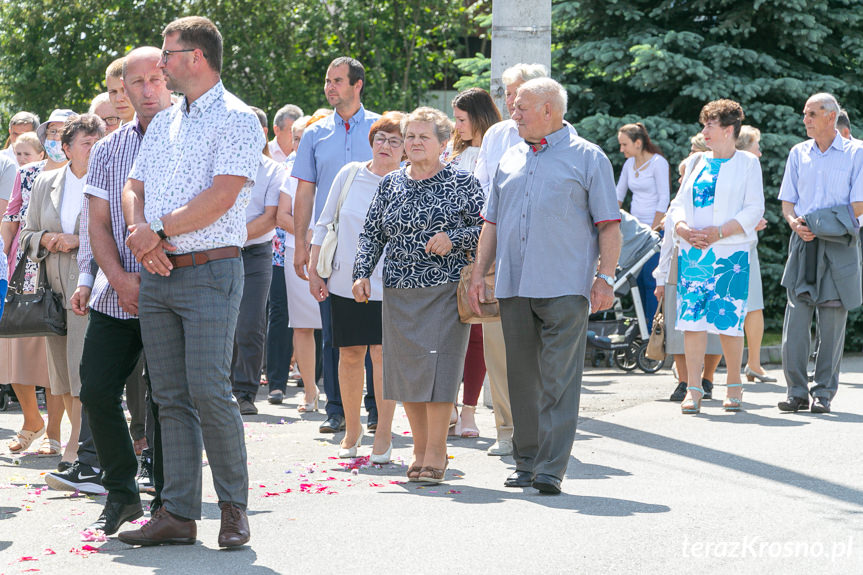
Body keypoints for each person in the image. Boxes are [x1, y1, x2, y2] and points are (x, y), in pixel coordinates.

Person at [118, 16, 262, 548]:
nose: (160, 62)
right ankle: (177, 511)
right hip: (160, 275)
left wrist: (153, 232)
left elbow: (222, 196)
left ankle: (232, 508)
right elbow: (134, 185)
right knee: (170, 396)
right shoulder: (166, 121)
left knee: (208, 389)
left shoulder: (239, 119)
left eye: (168, 52)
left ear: (196, 57)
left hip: (210, 270)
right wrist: (141, 230)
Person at [468, 78, 621, 495]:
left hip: (565, 286)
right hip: (515, 285)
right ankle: (526, 462)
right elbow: (491, 222)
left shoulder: (589, 158)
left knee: (558, 379)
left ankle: (551, 467)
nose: (512, 114)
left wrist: (605, 278)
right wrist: (480, 273)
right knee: (522, 378)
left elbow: (608, 223)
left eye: (521, 107)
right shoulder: (509, 158)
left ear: (549, 111)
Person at [44, 47, 171, 533]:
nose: (142, 91)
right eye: (130, 84)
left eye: (152, 80)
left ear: (170, 80)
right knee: (96, 389)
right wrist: (111, 278)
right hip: (114, 292)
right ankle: (121, 493)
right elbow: (95, 223)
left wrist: (149, 275)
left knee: (166, 398)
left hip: (170, 289)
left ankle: (166, 497)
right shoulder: (110, 150)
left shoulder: (185, 136)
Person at [354, 106, 483, 483]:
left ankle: (437, 452)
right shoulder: (391, 183)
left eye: (423, 137)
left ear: (444, 143)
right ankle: (420, 449)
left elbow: (487, 229)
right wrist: (362, 272)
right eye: (410, 136)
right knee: (407, 372)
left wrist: (453, 238)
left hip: (444, 291)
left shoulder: (462, 182)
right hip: (398, 290)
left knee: (439, 369)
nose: (413, 142)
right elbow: (371, 233)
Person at [292, 57, 381, 434]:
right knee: (334, 330)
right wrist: (301, 244)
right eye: (327, 80)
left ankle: (377, 411)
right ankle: (337, 410)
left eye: (338, 81)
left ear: (357, 85)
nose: (330, 87)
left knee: (376, 335)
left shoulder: (382, 127)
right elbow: (305, 190)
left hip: (379, 244)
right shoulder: (314, 133)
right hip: (330, 246)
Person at [309, 112, 404, 462]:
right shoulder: (349, 175)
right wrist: (315, 268)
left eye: (395, 141)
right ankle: (352, 429)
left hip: (390, 285)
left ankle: (383, 432)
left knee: (382, 356)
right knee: (349, 355)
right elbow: (325, 222)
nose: (386, 146)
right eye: (381, 138)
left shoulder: (409, 182)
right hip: (345, 281)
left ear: (405, 149)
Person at [471, 63, 551, 457]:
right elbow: (482, 193)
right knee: (498, 342)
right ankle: (506, 427)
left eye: (518, 94)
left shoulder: (565, 140)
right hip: (499, 251)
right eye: (506, 94)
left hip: (545, 254)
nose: (510, 103)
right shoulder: (496, 136)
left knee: (537, 344)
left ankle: (539, 425)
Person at [668, 99, 765, 415]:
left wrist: (719, 232)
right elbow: (678, 204)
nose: (704, 131)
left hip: (730, 254)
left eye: (710, 124)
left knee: (729, 320)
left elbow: (754, 209)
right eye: (704, 124)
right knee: (692, 320)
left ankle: (734, 384)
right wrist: (682, 228)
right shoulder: (696, 163)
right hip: (694, 253)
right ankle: (693, 389)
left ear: (728, 129)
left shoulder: (748, 164)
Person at [20, 114, 104, 466]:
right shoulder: (46, 182)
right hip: (53, 293)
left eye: (99, 142)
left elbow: (116, 235)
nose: (95, 149)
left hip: (93, 289)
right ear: (67, 149)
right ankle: (77, 442)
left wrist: (79, 240)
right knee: (63, 376)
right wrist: (47, 240)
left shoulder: (107, 182)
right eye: (87, 143)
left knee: (84, 369)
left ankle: (79, 447)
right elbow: (26, 235)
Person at [777, 93, 863, 414]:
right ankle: (796, 391)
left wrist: (818, 222)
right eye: (804, 113)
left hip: (839, 244)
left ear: (831, 117)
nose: (805, 119)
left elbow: (858, 206)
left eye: (811, 114)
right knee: (796, 320)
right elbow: (788, 201)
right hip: (803, 242)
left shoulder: (857, 153)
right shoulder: (798, 153)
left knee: (831, 322)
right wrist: (794, 223)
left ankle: (823, 393)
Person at [1, 109, 74, 461]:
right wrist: (6, 260)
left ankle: (56, 434)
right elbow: (11, 219)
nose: (56, 139)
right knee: (16, 352)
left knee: (53, 362)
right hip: (23, 274)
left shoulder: (84, 174)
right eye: (52, 133)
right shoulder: (28, 173)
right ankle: (32, 419)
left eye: (64, 133)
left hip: (63, 275)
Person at [443, 87, 501, 439]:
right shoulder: (452, 153)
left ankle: (469, 411)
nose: (457, 125)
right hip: (445, 253)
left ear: (479, 117)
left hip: (479, 251)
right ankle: (445, 405)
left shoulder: (497, 153)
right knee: (446, 333)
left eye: (462, 119)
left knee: (477, 333)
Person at [231, 106, 283, 415]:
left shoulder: (273, 169)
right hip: (220, 253)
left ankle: (245, 392)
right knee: (222, 324)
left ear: (262, 133)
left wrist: (231, 236)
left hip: (255, 254)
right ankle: (220, 390)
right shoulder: (221, 164)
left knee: (249, 323)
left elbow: (271, 217)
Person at [277, 114, 322, 411]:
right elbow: (282, 215)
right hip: (299, 252)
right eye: (300, 136)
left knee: (337, 328)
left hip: (333, 252)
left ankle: (342, 394)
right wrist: (308, 236)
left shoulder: (339, 167)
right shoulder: (290, 169)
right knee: (303, 326)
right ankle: (309, 392)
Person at [616, 122, 670, 331]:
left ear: (638, 143)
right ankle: (644, 330)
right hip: (636, 232)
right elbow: (619, 195)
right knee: (635, 282)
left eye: (625, 144)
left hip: (654, 231)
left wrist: (654, 229)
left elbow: (663, 198)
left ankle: (655, 330)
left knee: (651, 280)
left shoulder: (658, 163)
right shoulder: (629, 164)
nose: (622, 149)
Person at [734, 126, 775, 384]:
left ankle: (753, 364)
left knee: (751, 307)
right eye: (755, 146)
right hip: (740, 247)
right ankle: (753, 364)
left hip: (744, 245)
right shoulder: (745, 169)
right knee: (752, 308)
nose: (759, 153)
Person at [106, 57, 135, 124]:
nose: (118, 99)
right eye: (113, 92)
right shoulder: (111, 134)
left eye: (125, 90)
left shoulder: (160, 130)